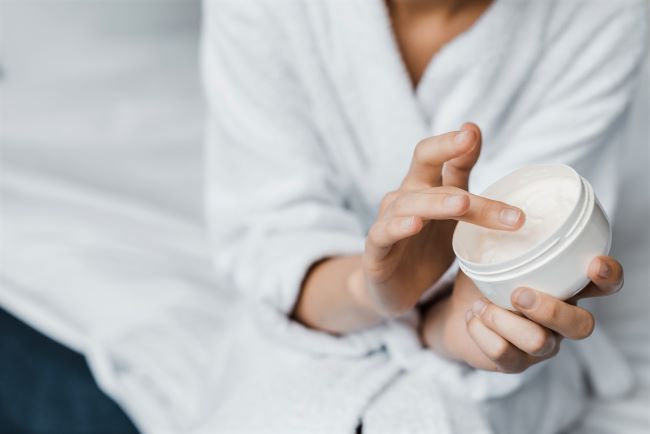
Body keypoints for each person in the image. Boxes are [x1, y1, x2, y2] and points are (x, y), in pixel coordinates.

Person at [203, 0, 646, 431]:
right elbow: (273, 237)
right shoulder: (258, 9)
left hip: (478, 363)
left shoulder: (601, 14)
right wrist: (370, 289)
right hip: (311, 320)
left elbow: (537, 235)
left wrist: (462, 326)